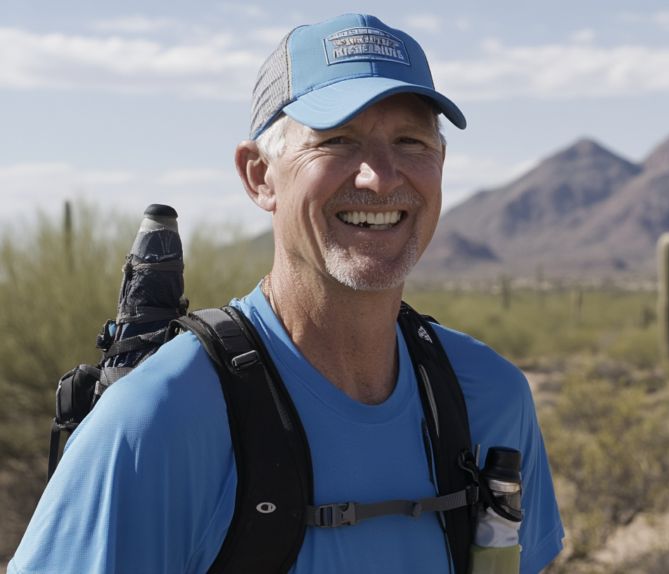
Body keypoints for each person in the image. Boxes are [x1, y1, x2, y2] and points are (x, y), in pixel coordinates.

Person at [10, 13, 563, 574]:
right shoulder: (160, 420)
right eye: (338, 140)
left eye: (411, 140)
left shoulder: (491, 397)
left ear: (440, 163)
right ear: (259, 176)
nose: (380, 176)